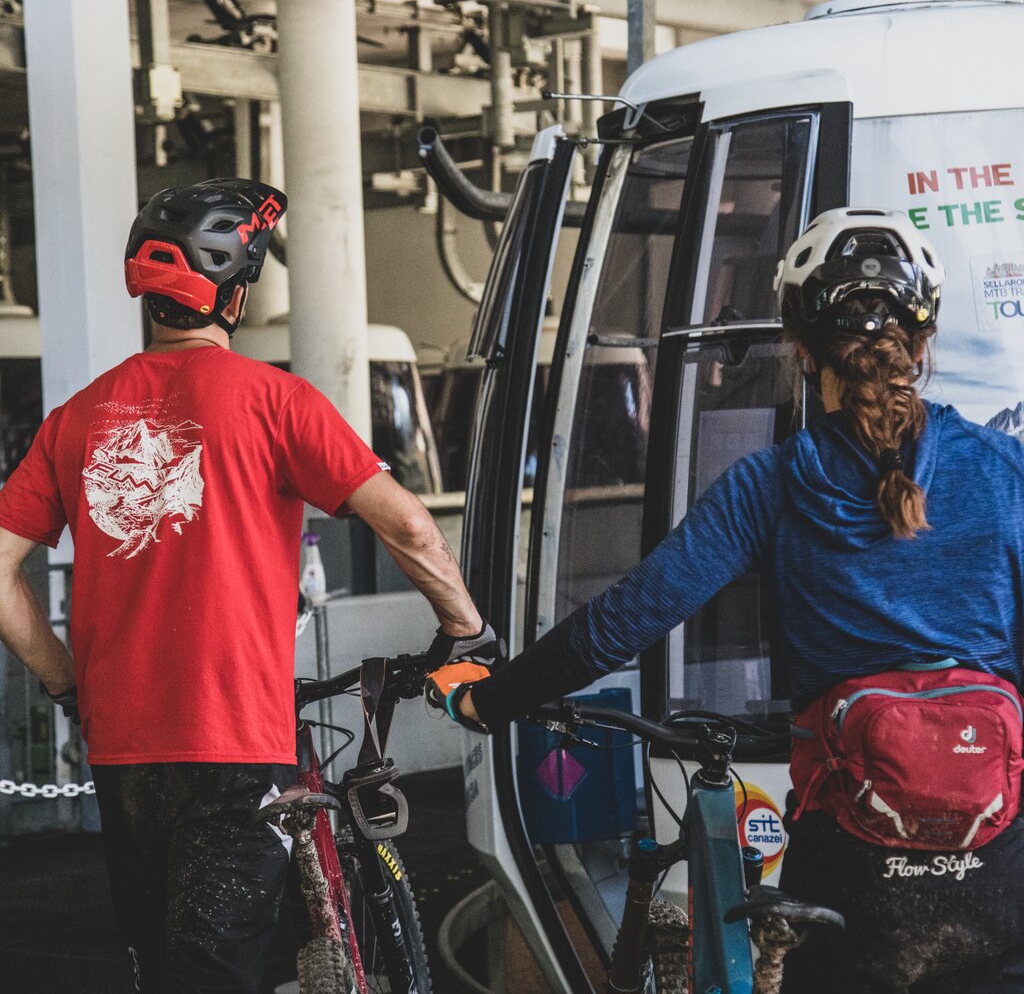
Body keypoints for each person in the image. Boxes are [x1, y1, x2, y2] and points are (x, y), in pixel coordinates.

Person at [431, 207, 1024, 992]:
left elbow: (624, 621)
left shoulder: (770, 485)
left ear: (802, 351)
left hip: (851, 866)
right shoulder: (1003, 469)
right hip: (1001, 855)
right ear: (922, 345)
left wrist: (489, 701)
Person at [0, 178, 500, 994]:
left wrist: (66, 682)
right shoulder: (277, 402)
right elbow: (410, 528)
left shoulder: (77, 418)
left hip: (123, 748)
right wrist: (466, 628)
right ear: (235, 292)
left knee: (157, 964)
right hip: (234, 744)